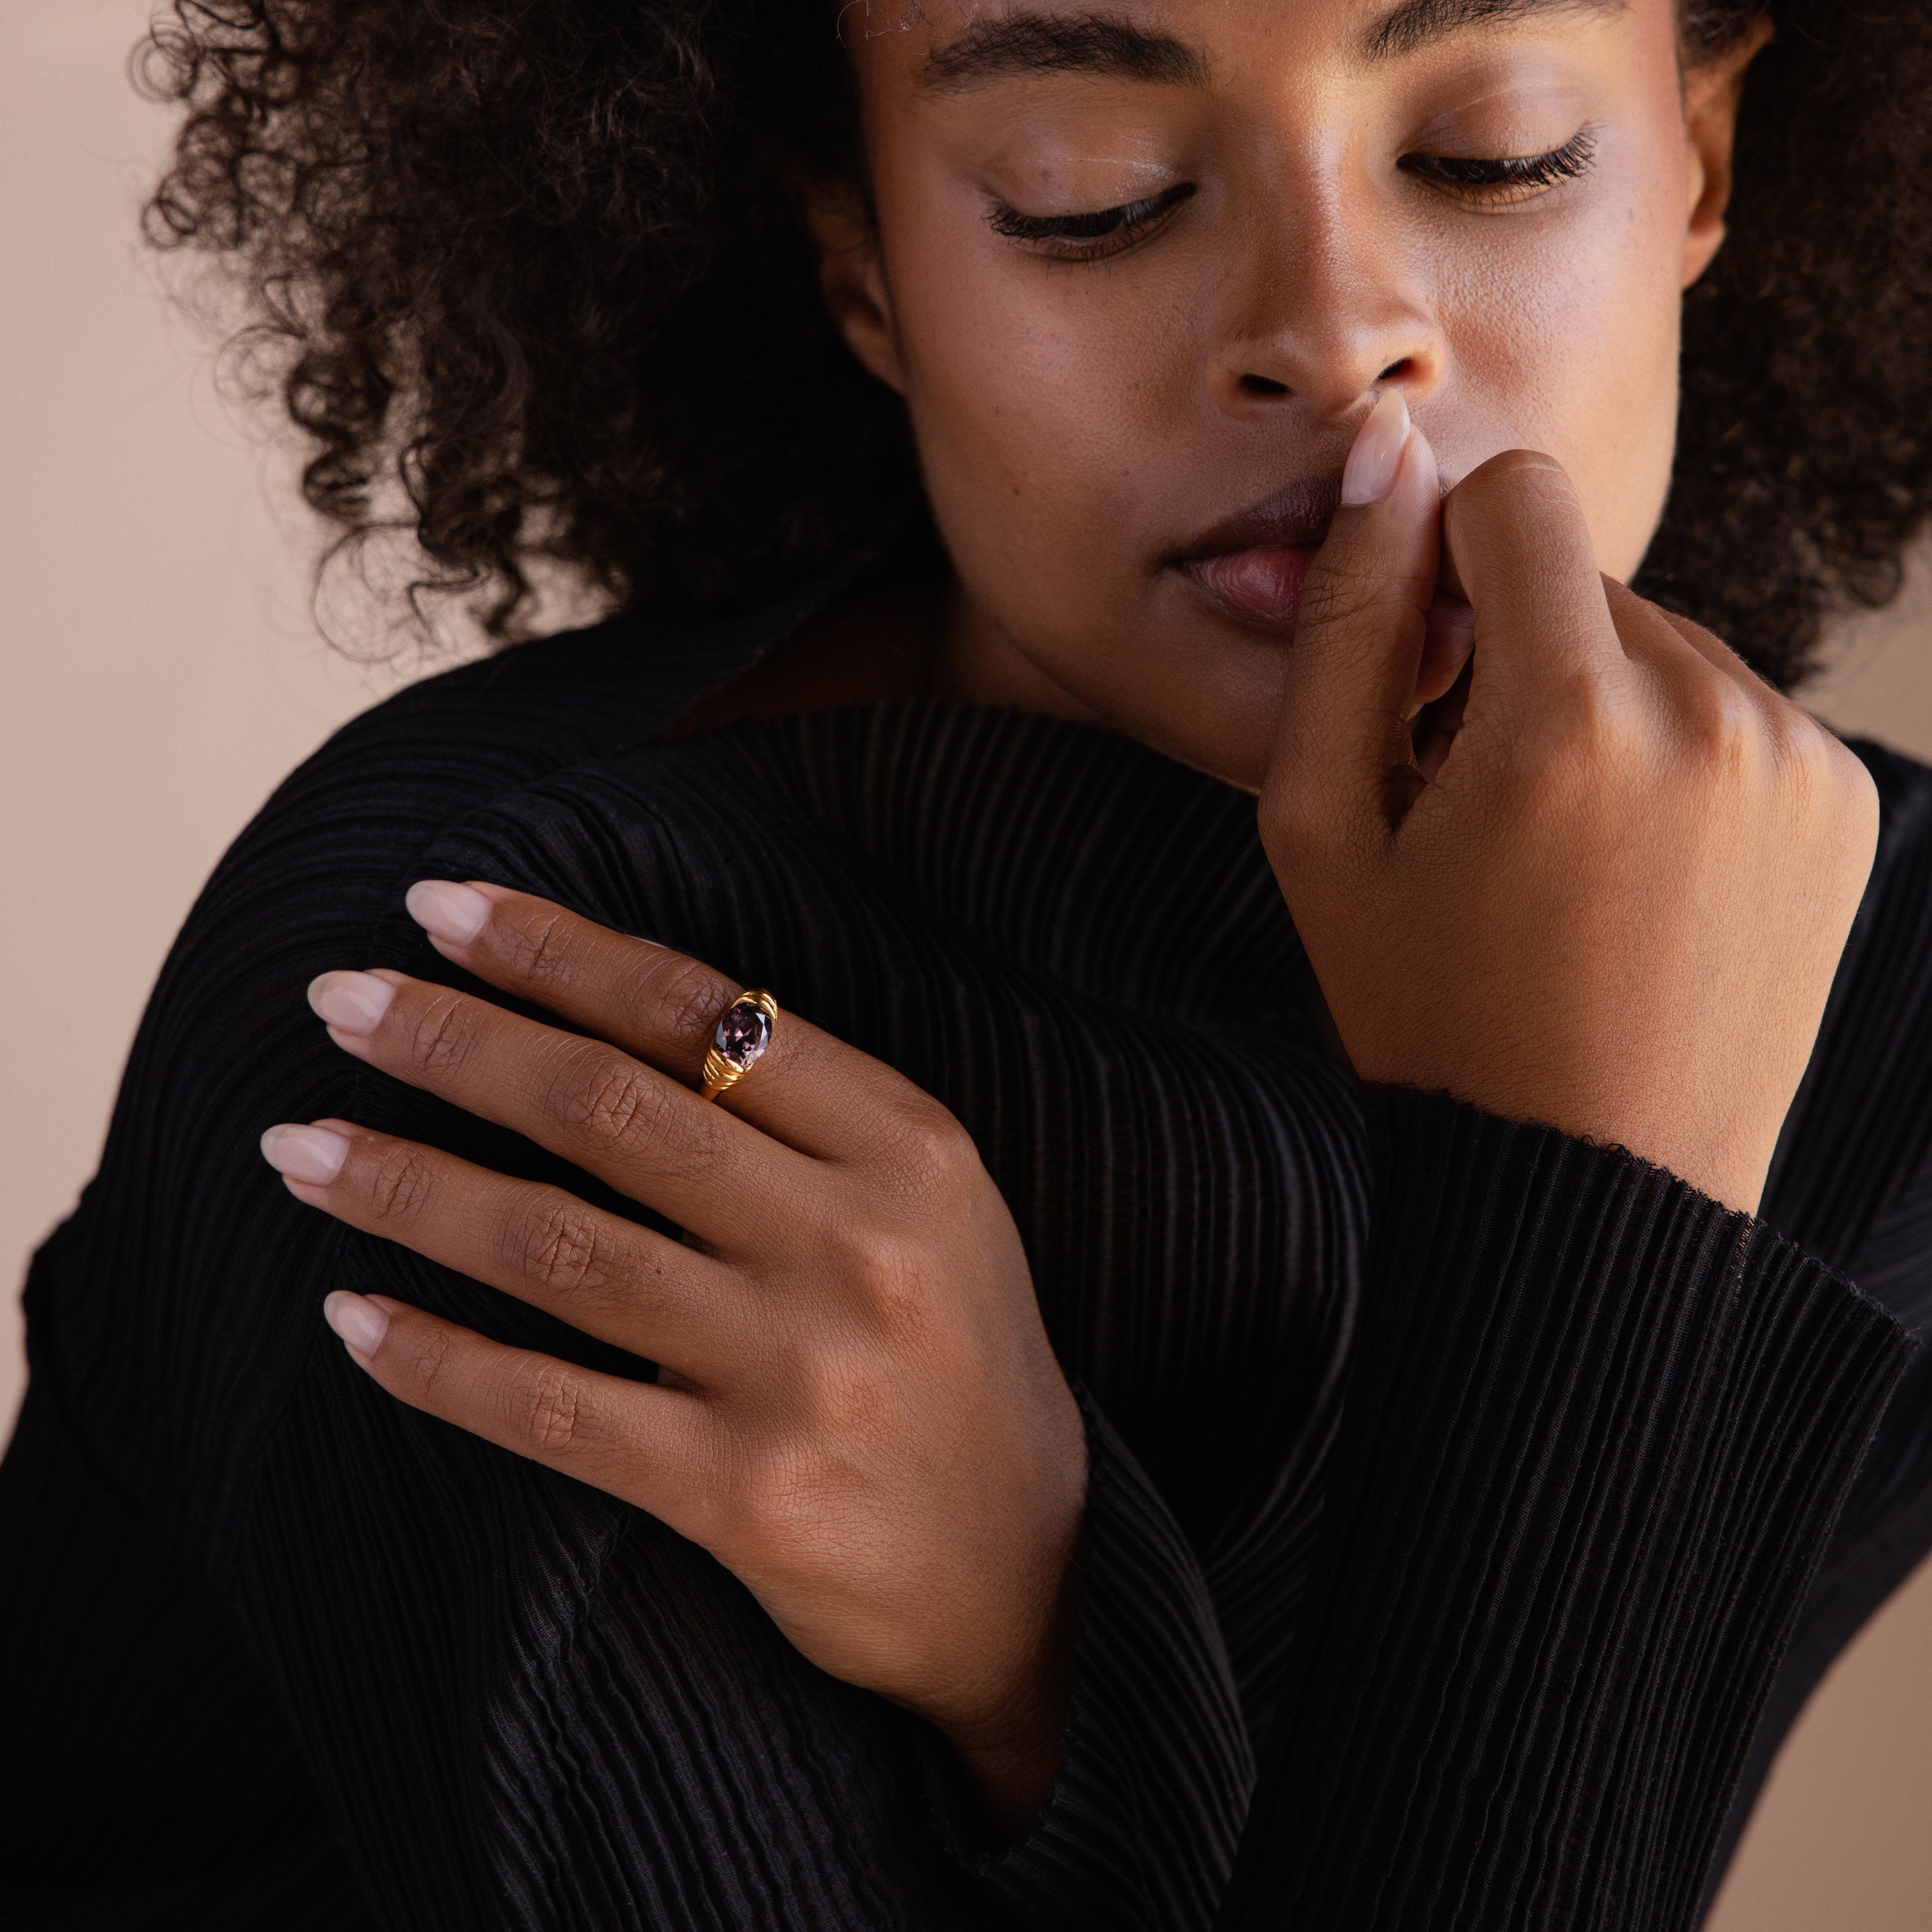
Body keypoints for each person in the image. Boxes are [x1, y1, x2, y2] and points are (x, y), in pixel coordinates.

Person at [6, 0, 1932, 1925]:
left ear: (1705, 155)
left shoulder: (1891, 983)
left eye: (1492, 152)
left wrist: (1054, 1669)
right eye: (1092, 195)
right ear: (864, 263)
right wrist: (1612, 1220)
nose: (1335, 333)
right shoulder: (514, 999)